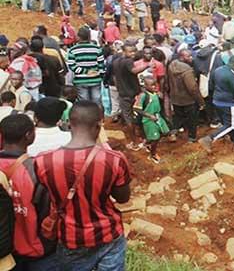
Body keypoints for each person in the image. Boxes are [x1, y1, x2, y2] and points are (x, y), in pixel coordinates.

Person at [34, 101, 131, 271]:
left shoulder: (43, 161)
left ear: (69, 124)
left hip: (70, 237)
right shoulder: (114, 159)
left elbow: (49, 194)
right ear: (99, 125)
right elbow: (123, 198)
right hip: (108, 233)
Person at [0, 114, 57, 270]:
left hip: (5, 255)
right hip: (37, 250)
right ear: (29, 135)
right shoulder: (37, 170)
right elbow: (48, 212)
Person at [200, 56, 234, 153]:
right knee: (231, 125)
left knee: (228, 123)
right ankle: (209, 139)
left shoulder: (217, 70)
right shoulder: (233, 75)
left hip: (217, 101)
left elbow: (211, 85)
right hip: (228, 103)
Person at [111, 45, 148, 150]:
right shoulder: (127, 62)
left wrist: (119, 88)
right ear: (123, 51)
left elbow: (114, 77)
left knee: (129, 117)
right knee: (137, 116)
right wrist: (147, 65)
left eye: (134, 52)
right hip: (133, 93)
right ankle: (139, 140)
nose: (132, 54)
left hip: (123, 93)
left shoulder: (115, 62)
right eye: (130, 51)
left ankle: (135, 141)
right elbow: (134, 71)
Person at [167, 49, 204, 143]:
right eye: (189, 56)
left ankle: (173, 133)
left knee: (177, 117)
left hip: (175, 96)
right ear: (182, 57)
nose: (191, 58)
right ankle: (192, 138)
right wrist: (200, 101)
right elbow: (193, 88)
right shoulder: (187, 70)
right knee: (192, 119)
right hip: (188, 99)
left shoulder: (172, 64)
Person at [135, 75, 170, 164]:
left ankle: (147, 142)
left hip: (157, 117)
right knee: (155, 138)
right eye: (151, 85)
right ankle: (152, 155)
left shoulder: (155, 93)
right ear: (145, 86)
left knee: (165, 132)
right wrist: (149, 116)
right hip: (148, 120)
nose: (154, 86)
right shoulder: (143, 95)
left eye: (155, 84)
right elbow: (136, 108)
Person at [66, 28, 105, 104]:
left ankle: (86, 115)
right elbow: (101, 64)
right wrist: (100, 75)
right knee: (97, 101)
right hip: (95, 79)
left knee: (84, 103)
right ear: (89, 37)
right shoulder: (97, 49)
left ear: (78, 37)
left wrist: (85, 71)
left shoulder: (72, 50)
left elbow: (72, 65)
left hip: (80, 80)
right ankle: (97, 115)